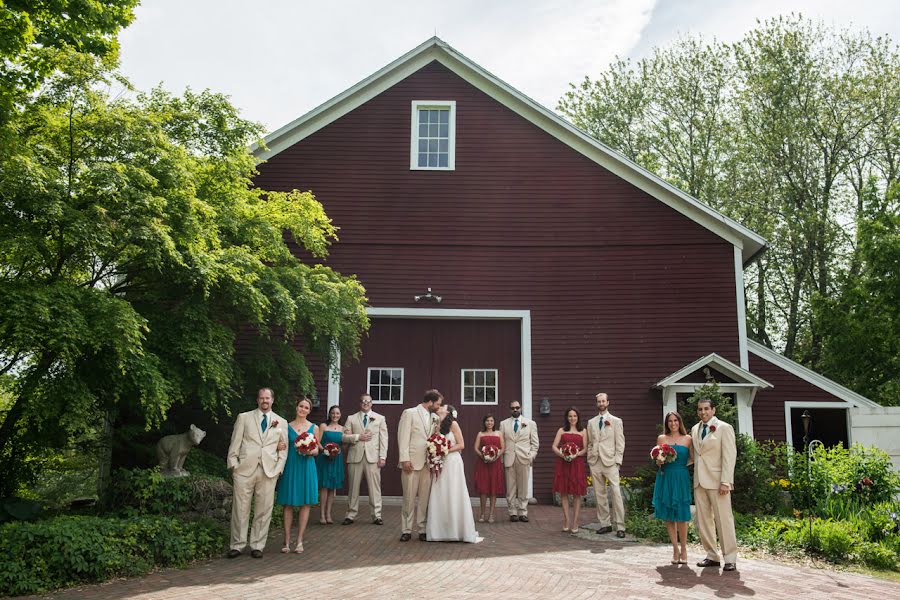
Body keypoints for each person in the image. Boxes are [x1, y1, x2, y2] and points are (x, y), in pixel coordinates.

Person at [226, 387, 288, 558]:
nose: (264, 401)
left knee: (264, 510)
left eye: (267, 398)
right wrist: (233, 466)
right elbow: (235, 443)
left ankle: (257, 545)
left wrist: (278, 470)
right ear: (257, 400)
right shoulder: (244, 418)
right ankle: (237, 545)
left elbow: (284, 449)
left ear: (272, 400)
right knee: (240, 508)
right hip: (244, 470)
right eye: (261, 398)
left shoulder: (281, 422)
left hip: (269, 471)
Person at [691, 398, 738, 571]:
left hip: (718, 482)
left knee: (724, 520)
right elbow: (696, 455)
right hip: (699, 481)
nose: (703, 412)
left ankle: (730, 558)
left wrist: (726, 481)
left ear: (713, 410)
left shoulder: (724, 428)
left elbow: (729, 456)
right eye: (700, 409)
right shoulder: (695, 429)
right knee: (704, 522)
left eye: (706, 409)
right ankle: (712, 556)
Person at [426, 405, 480, 543]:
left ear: (448, 412)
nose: (439, 407)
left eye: (442, 407)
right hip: (441, 462)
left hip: (453, 462)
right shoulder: (437, 424)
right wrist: (435, 451)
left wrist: (444, 450)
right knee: (440, 492)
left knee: (454, 492)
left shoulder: (454, 424)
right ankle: (439, 531)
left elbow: (461, 444)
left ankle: (457, 530)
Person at [397, 389, 443, 541]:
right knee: (409, 498)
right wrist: (404, 459)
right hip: (411, 462)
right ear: (430, 402)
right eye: (437, 404)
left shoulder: (435, 417)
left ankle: (422, 529)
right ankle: (406, 530)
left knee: (424, 498)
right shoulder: (409, 413)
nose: (438, 406)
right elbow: (402, 436)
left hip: (428, 464)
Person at [275, 396, 320, 553]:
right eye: (301, 406)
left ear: (309, 411)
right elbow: (281, 446)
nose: (303, 409)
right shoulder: (286, 427)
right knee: (288, 504)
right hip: (291, 467)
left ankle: (300, 541)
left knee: (305, 504)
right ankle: (286, 541)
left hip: (307, 468)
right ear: (296, 407)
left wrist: (309, 450)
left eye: (306, 407)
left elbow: (317, 450)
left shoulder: (314, 428)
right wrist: (279, 445)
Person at [652, 411, 693, 564]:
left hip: (681, 477)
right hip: (665, 476)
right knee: (669, 515)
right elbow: (657, 459)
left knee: (682, 514)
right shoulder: (662, 438)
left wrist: (680, 467)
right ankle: (675, 549)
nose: (673, 423)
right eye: (670, 421)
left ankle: (684, 549)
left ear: (679, 422)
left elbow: (692, 459)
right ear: (667, 423)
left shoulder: (688, 439)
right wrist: (660, 461)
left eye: (675, 420)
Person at [342, 393, 386, 526]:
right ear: (359, 403)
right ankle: (350, 514)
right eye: (363, 401)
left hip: (373, 457)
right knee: (353, 488)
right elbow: (343, 437)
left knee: (374, 488)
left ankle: (376, 515)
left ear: (372, 403)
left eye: (368, 401)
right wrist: (357, 437)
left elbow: (384, 439)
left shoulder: (380, 418)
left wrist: (382, 457)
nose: (365, 403)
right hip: (355, 456)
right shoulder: (351, 418)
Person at [586, 392, 626, 538]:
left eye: (603, 401)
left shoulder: (616, 421)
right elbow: (590, 442)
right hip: (595, 461)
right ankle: (605, 524)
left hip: (610, 462)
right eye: (599, 401)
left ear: (608, 402)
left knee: (616, 493)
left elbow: (620, 442)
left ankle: (620, 526)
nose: (601, 404)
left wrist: (618, 461)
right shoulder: (591, 422)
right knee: (599, 494)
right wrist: (590, 457)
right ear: (597, 404)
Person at [500, 400, 539, 522]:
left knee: (523, 487)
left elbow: (535, 443)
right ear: (509, 409)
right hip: (509, 458)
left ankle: (523, 512)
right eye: (512, 408)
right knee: (510, 487)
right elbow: (501, 443)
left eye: (517, 407)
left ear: (521, 408)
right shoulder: (503, 424)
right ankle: (512, 512)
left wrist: (531, 456)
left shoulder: (530, 423)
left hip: (524, 458)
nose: (515, 410)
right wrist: (502, 458)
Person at [552, 407, 588, 533]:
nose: (572, 418)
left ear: (578, 417)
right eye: (570, 416)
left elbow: (585, 448)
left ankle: (575, 521)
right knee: (564, 493)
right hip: (563, 464)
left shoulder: (583, 431)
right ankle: (566, 520)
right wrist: (563, 454)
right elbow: (554, 446)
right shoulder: (561, 430)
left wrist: (576, 454)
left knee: (577, 494)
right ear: (567, 418)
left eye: (575, 416)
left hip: (577, 464)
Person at [316, 404, 351, 525]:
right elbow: (317, 442)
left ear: (340, 415)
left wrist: (348, 438)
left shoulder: (343, 429)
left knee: (332, 488)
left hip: (337, 460)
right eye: (333, 413)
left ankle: (329, 514)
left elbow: (345, 446)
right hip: (324, 459)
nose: (335, 415)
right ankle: (322, 515)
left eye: (337, 413)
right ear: (329, 414)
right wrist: (324, 451)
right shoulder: (324, 426)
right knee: (324, 487)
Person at [473, 413, 505, 523]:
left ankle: (491, 514)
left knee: (493, 489)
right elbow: (476, 448)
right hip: (483, 464)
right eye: (487, 421)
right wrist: (483, 456)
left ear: (494, 422)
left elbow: (502, 448)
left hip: (495, 464)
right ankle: (482, 513)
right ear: (484, 422)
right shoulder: (480, 434)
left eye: (491, 421)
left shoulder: (499, 433)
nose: (489, 423)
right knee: (483, 489)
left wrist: (496, 457)